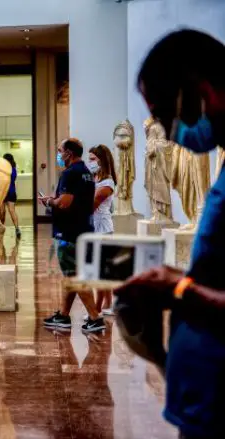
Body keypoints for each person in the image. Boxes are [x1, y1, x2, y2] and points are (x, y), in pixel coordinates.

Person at [116, 29, 225, 439]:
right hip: (202, 404)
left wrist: (179, 290)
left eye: (163, 114)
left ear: (203, 90)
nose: (163, 129)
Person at [38, 138, 105, 332]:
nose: (58, 154)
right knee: (72, 275)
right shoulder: (86, 173)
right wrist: (56, 199)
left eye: (60, 150)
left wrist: (50, 202)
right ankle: (64, 316)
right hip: (83, 230)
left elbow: (65, 203)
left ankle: (95, 317)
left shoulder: (69, 173)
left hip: (69, 233)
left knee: (73, 277)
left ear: (69, 153)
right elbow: (77, 201)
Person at [87, 144, 117, 316]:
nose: (89, 162)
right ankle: (107, 303)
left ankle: (97, 309)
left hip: (103, 229)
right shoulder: (95, 179)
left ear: (102, 160)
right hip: (95, 227)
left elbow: (91, 205)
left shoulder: (107, 182)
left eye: (93, 159)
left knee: (99, 271)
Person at [1, 153, 22, 240]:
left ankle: (1, 229)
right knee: (12, 210)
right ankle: (17, 228)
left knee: (2, 211)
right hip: (11, 192)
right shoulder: (13, 169)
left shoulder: (4, 169)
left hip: (3, 192)